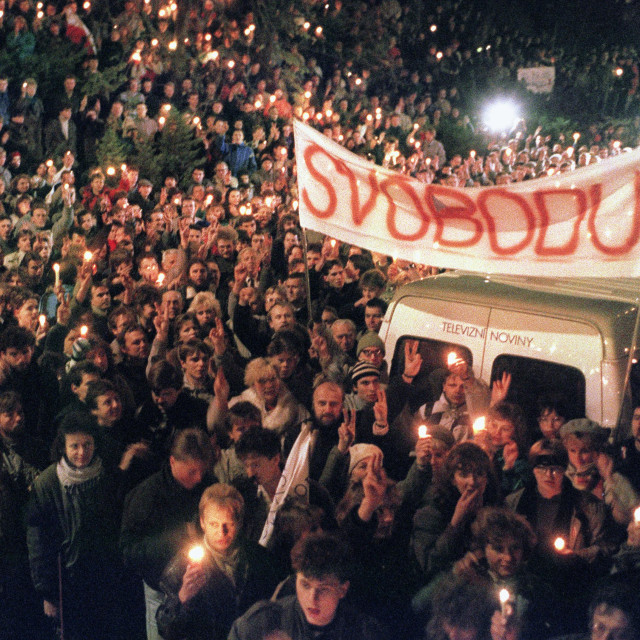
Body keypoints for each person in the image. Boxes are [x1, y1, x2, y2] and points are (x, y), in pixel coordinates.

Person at [27, 414, 125, 640]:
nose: (82, 452)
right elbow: (38, 542)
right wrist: (48, 593)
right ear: (63, 446)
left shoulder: (105, 475)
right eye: (75, 446)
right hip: (68, 582)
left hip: (104, 578)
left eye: (87, 444)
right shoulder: (48, 483)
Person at [120, 428, 215, 640]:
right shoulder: (147, 496)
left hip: (205, 592)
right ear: (173, 461)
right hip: (162, 593)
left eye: (202, 470)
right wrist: (175, 538)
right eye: (191, 471)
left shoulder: (208, 484)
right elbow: (128, 551)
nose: (198, 478)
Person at [155, 483, 279, 640]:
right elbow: (166, 629)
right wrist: (182, 599)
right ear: (202, 522)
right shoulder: (182, 565)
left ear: (240, 522)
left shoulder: (259, 558)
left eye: (229, 524)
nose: (222, 532)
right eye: (214, 524)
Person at [228, 531, 387, 640]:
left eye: (324, 589)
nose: (312, 598)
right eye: (305, 585)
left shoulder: (364, 632)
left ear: (342, 589)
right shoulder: (263, 622)